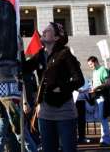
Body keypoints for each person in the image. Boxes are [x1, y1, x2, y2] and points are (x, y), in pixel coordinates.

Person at [23, 22, 84, 152]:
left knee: (68, 148)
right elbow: (24, 69)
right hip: (45, 110)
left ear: (56, 37)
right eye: (44, 29)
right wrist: (19, 50)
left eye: (48, 30)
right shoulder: (40, 54)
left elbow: (79, 80)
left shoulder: (65, 54)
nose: (43, 31)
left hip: (64, 110)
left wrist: (61, 88)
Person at [87, 56, 110, 147]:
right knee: (101, 118)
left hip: (102, 96)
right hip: (97, 96)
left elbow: (108, 83)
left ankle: (105, 139)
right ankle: (104, 138)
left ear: (96, 61)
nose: (90, 66)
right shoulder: (94, 71)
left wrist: (96, 88)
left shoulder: (103, 69)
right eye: (89, 65)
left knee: (103, 118)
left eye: (91, 64)